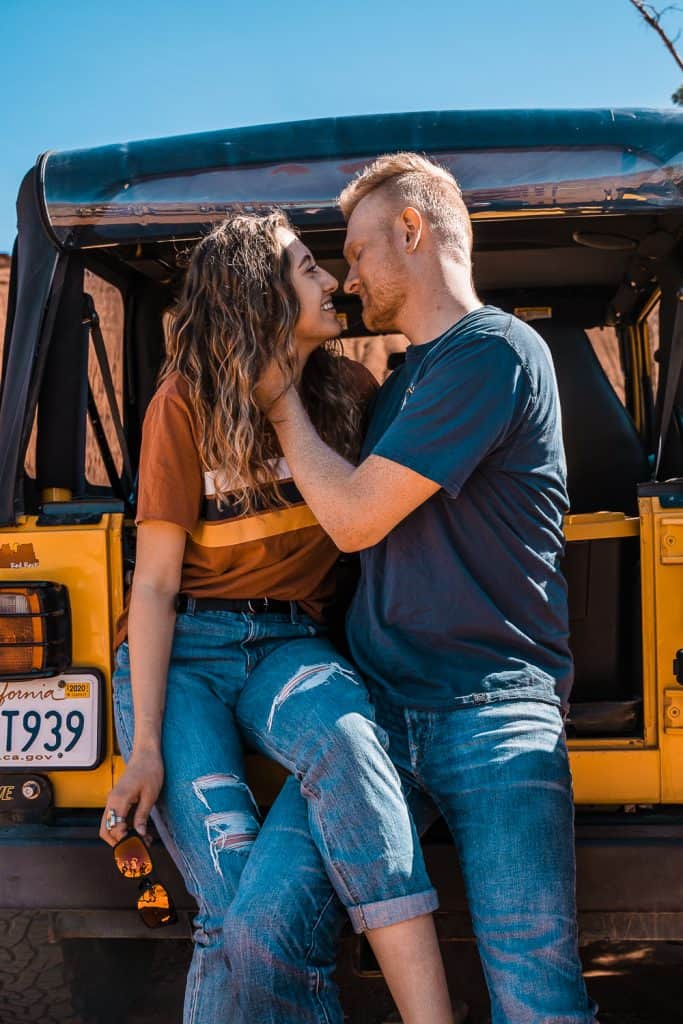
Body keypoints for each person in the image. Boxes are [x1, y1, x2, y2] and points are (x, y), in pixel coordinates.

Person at [230, 154, 598, 1022]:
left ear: (411, 230)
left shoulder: (495, 352)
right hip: (378, 714)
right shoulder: (400, 382)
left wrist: (281, 404)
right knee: (262, 925)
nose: (347, 276)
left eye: (356, 251)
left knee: (536, 992)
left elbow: (355, 520)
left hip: (493, 713)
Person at [98, 212, 455, 1024]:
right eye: (306, 268)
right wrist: (145, 747)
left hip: (292, 640)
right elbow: (152, 587)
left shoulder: (350, 395)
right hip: (186, 648)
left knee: (350, 743)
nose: (332, 281)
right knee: (233, 914)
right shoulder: (184, 402)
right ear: (258, 293)